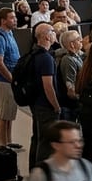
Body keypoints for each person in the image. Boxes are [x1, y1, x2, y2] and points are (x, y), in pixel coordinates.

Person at [28, 22, 63, 169]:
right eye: (53, 31)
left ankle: (34, 171)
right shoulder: (46, 58)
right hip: (46, 106)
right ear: (47, 36)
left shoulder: (35, 53)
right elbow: (48, 86)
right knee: (46, 144)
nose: (55, 34)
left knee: (37, 139)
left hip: (36, 103)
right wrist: (56, 106)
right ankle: (41, 177)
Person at [0, 8, 22, 150]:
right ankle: (3, 145)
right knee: (3, 113)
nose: (15, 20)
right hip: (3, 81)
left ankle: (9, 141)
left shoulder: (10, 33)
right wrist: (11, 79)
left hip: (11, 79)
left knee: (9, 113)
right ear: (3, 20)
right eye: (12, 18)